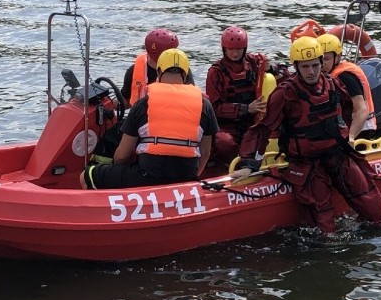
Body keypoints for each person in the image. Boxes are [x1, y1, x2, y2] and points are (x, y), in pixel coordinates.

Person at [232, 36, 381, 235]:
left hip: (337, 155)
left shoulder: (332, 84)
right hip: (306, 164)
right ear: (296, 66)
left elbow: (349, 110)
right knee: (325, 227)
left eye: (315, 65)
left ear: (322, 63)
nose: (311, 71)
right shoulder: (285, 93)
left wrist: (347, 136)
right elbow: (263, 128)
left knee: (376, 212)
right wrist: (249, 165)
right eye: (305, 67)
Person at [81, 48, 218, 190]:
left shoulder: (144, 103)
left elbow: (122, 156)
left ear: (158, 72)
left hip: (147, 175)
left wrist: (121, 169)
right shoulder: (204, 105)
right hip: (186, 176)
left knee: (86, 176)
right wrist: (191, 178)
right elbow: (205, 152)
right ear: (186, 74)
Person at [205, 26, 271, 165]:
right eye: (231, 49)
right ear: (224, 49)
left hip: (251, 122)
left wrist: (270, 67)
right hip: (226, 125)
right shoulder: (215, 73)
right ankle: (227, 166)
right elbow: (215, 107)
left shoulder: (254, 62)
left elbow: (285, 74)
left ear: (245, 48)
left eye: (238, 49)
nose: (235, 53)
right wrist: (245, 109)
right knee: (225, 144)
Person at [317, 33, 376, 143]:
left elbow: (362, 110)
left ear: (337, 58)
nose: (322, 64)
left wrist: (351, 136)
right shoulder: (326, 75)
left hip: (360, 130)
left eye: (327, 59)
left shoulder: (345, 77)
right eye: (319, 59)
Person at [120, 28, 193, 109]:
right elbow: (125, 100)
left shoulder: (181, 70)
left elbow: (190, 98)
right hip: (141, 116)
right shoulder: (133, 71)